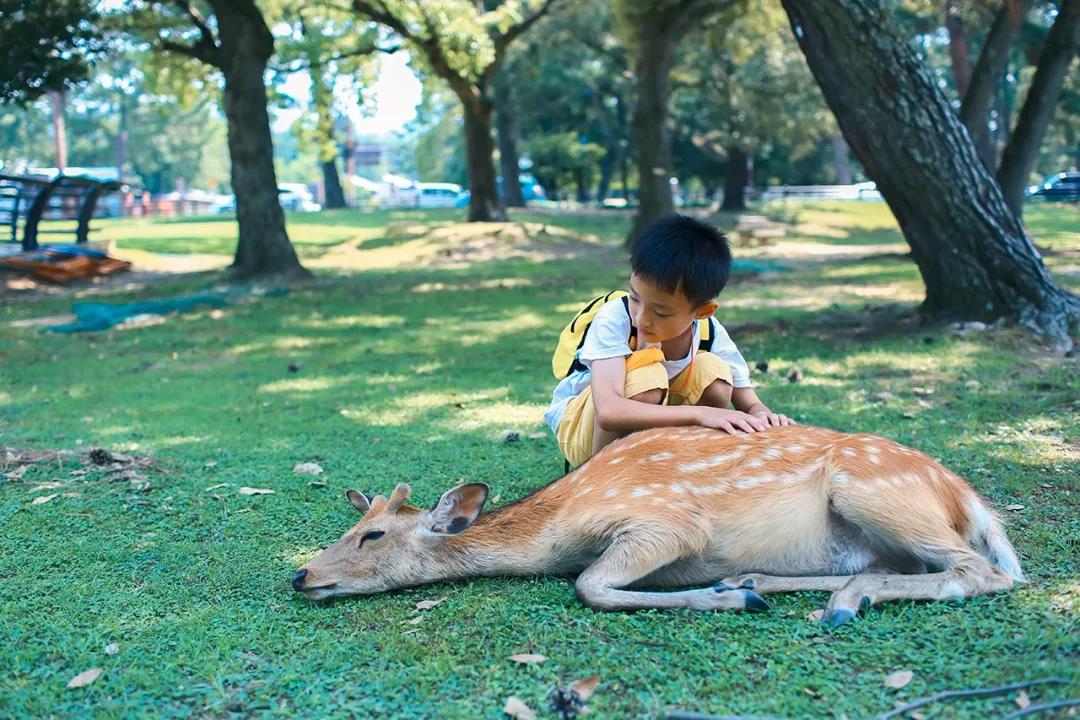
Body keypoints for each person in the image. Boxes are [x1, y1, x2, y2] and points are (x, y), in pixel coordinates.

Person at [544, 213, 793, 468]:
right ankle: (598, 479)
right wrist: (700, 414)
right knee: (646, 379)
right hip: (583, 431)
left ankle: (681, 470)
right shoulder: (614, 318)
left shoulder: (709, 332)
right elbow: (608, 412)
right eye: (634, 298)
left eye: (661, 312)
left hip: (657, 434)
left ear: (702, 311)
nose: (641, 318)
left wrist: (764, 416)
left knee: (715, 373)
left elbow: (749, 402)